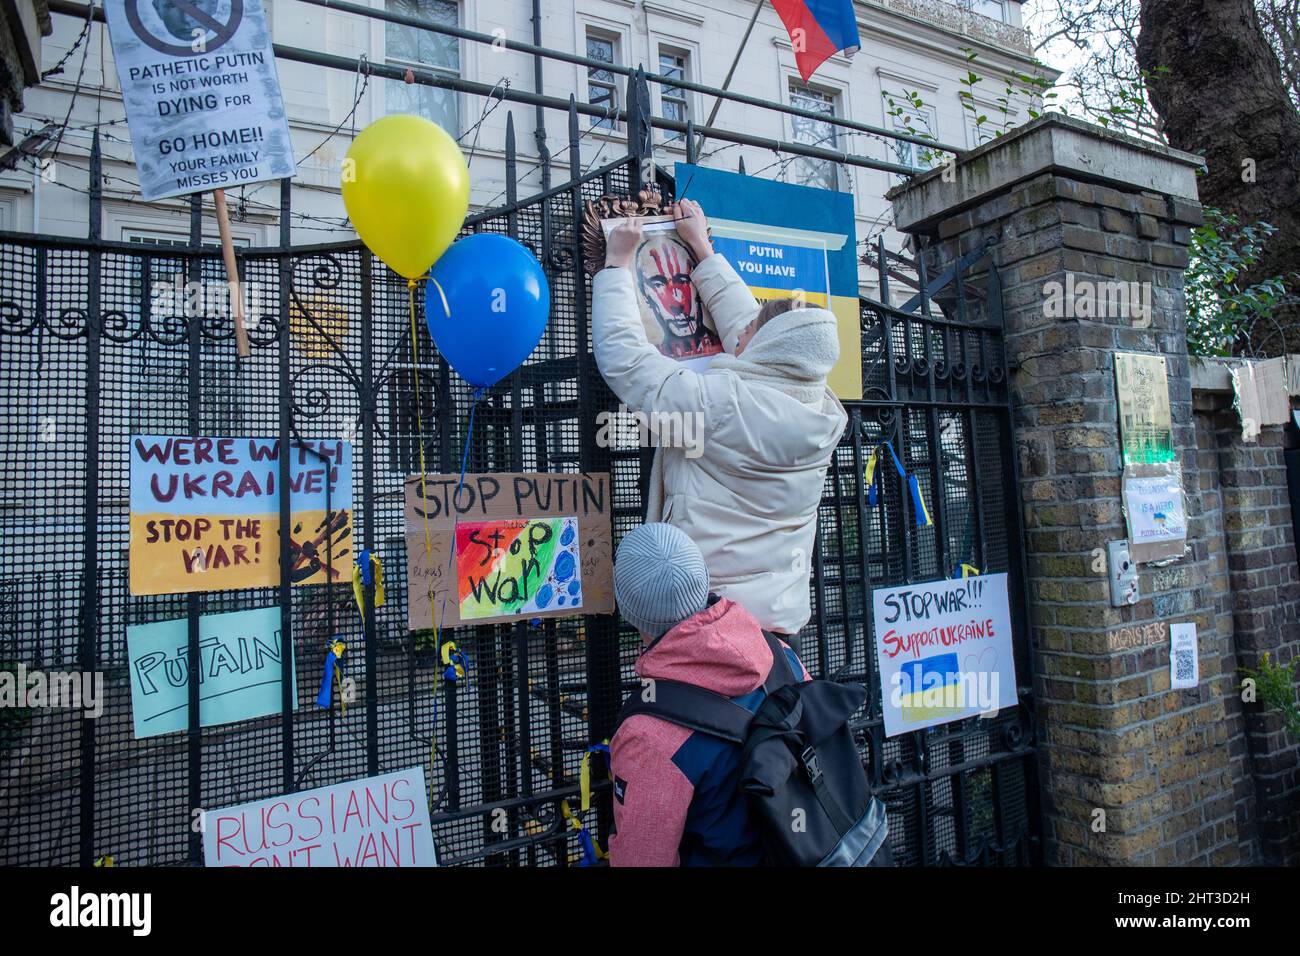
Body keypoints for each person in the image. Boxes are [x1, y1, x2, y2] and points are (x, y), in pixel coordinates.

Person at [592, 199, 848, 636]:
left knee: (697, 707)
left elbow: (627, 362)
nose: (738, 334)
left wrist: (616, 265)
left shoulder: (721, 406)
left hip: (712, 620)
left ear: (763, 346)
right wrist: (702, 250)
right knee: (767, 707)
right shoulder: (822, 409)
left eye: (747, 333)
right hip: (778, 623)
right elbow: (760, 333)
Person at [606, 522, 809, 867]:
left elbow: (641, 859)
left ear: (628, 611)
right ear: (703, 579)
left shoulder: (648, 734)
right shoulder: (779, 655)